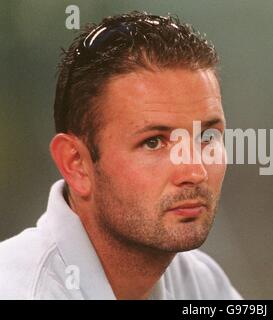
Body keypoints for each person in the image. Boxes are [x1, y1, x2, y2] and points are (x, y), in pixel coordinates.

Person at [0, 11, 242, 300]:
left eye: (207, 137)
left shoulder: (202, 283)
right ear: (76, 164)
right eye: (153, 142)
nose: (195, 172)